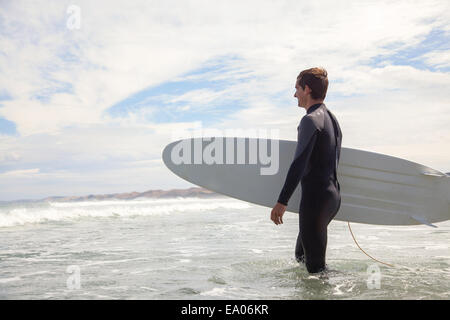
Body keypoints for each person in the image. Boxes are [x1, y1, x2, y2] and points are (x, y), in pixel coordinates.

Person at [270, 67, 342, 273]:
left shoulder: (310, 120)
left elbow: (299, 163)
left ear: (307, 89)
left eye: (297, 89)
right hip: (332, 198)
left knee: (316, 270)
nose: (295, 95)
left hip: (316, 201)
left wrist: (282, 202)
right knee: (301, 256)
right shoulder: (331, 119)